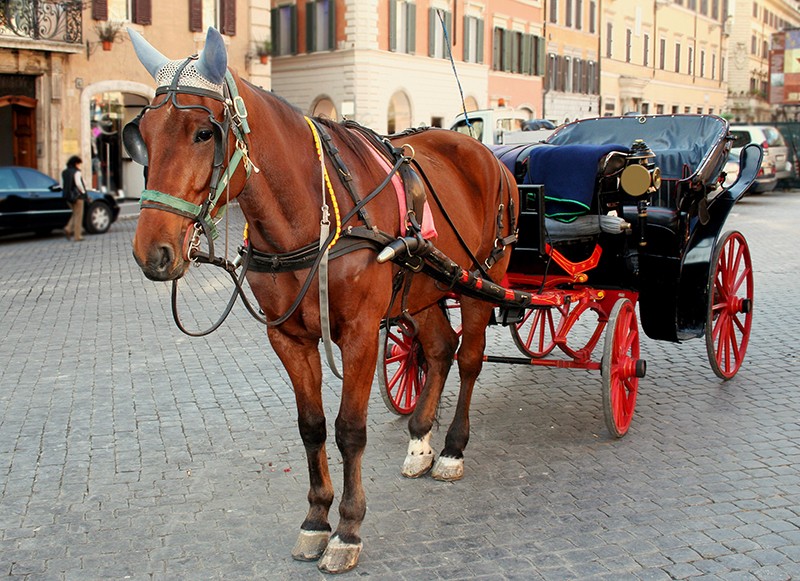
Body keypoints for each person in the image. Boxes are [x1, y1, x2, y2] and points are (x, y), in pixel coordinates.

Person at [61, 155, 87, 241]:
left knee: (75, 213)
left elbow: (63, 185)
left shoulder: (64, 172)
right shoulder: (77, 172)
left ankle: (68, 228)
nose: (80, 166)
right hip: (77, 196)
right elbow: (78, 183)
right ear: (76, 163)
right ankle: (77, 235)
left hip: (68, 197)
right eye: (79, 164)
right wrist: (83, 192)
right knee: (78, 216)